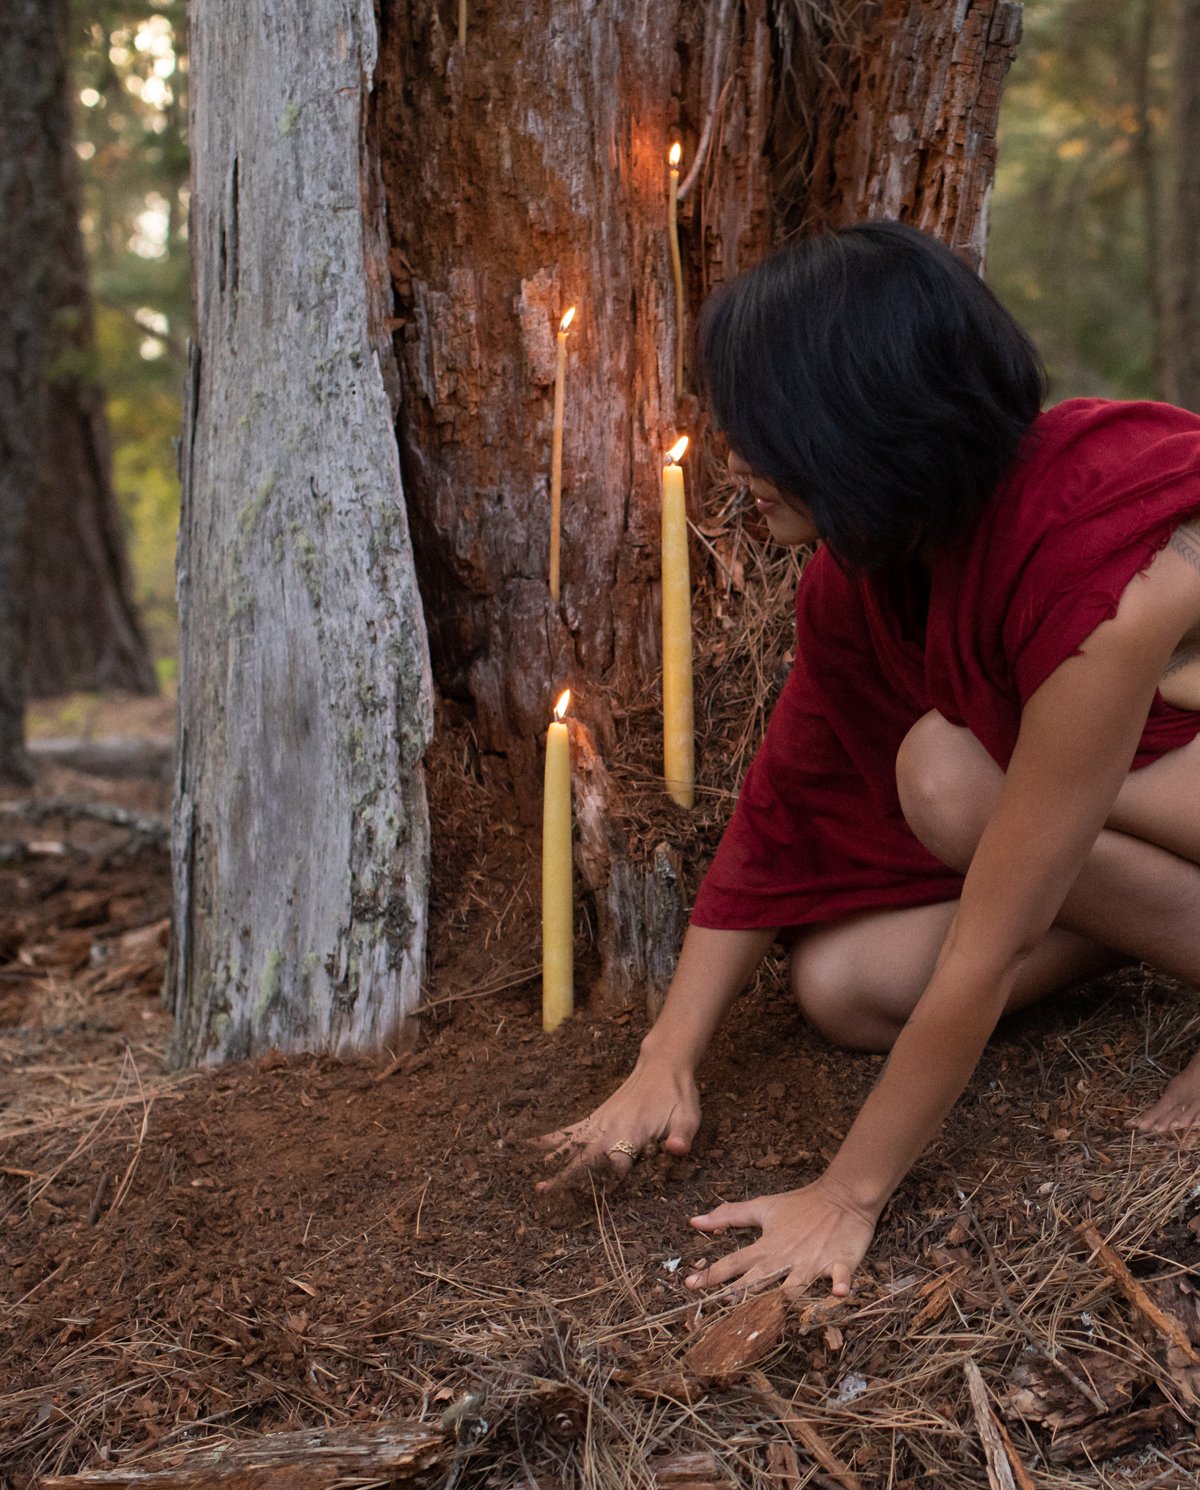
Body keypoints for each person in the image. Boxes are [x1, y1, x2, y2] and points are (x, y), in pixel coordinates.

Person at [536, 220, 1200, 1299]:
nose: (731, 456)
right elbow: (784, 803)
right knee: (848, 984)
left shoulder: (1105, 591)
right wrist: (667, 1052)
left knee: (949, 777)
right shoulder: (867, 569)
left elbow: (994, 940)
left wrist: (846, 1193)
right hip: (1149, 785)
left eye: (760, 424)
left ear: (864, 420)